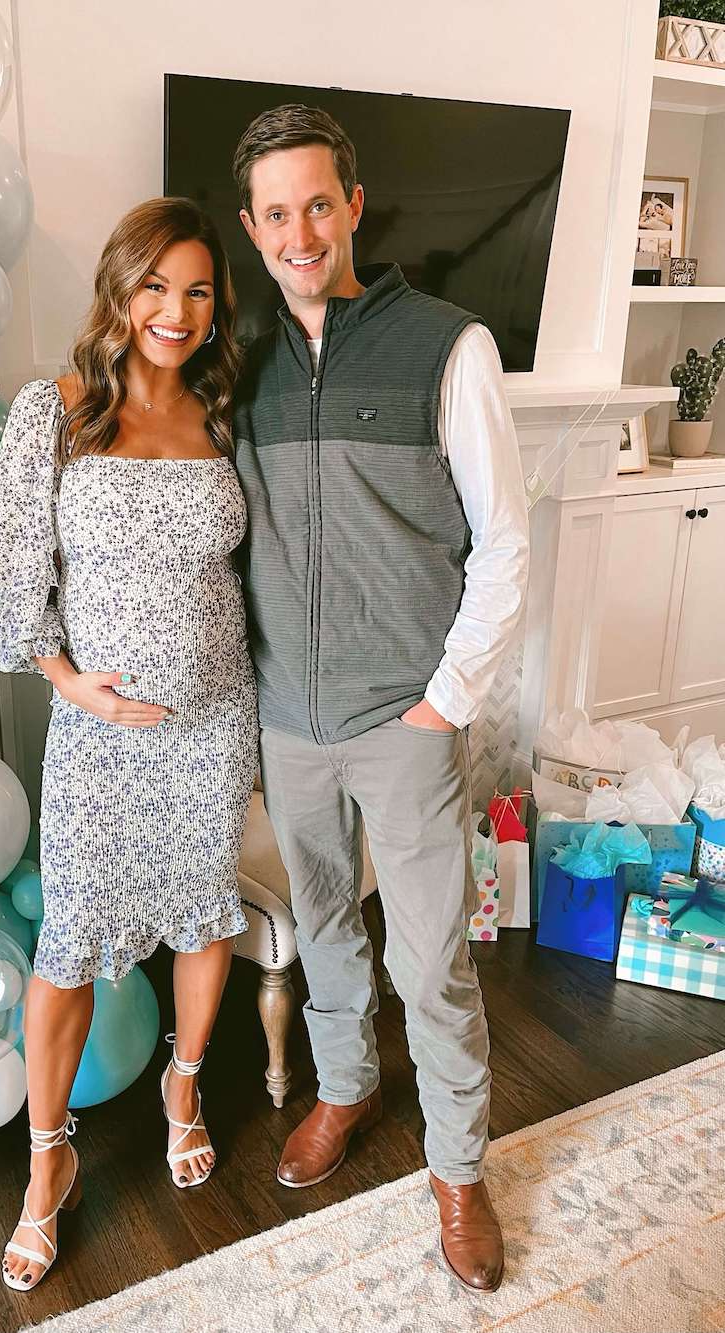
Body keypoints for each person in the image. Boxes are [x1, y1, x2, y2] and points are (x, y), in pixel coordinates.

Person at [230, 103, 530, 1293]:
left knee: (430, 960)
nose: (298, 230)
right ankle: (345, 1090)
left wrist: (444, 703)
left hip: (403, 718)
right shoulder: (238, 358)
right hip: (285, 720)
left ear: (352, 206)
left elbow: (504, 543)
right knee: (321, 931)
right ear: (252, 230)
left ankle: (457, 1168)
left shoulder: (448, 344)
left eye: (317, 203)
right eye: (273, 212)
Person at [0, 196, 258, 1292]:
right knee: (70, 946)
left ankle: (182, 1085)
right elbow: (18, 572)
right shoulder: (55, 410)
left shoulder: (224, 415)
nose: (176, 311)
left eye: (197, 290)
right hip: (96, 740)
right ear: (119, 289)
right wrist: (63, 680)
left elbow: (244, 576)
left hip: (213, 719)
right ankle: (49, 1163)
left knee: (204, 909)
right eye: (156, 286)